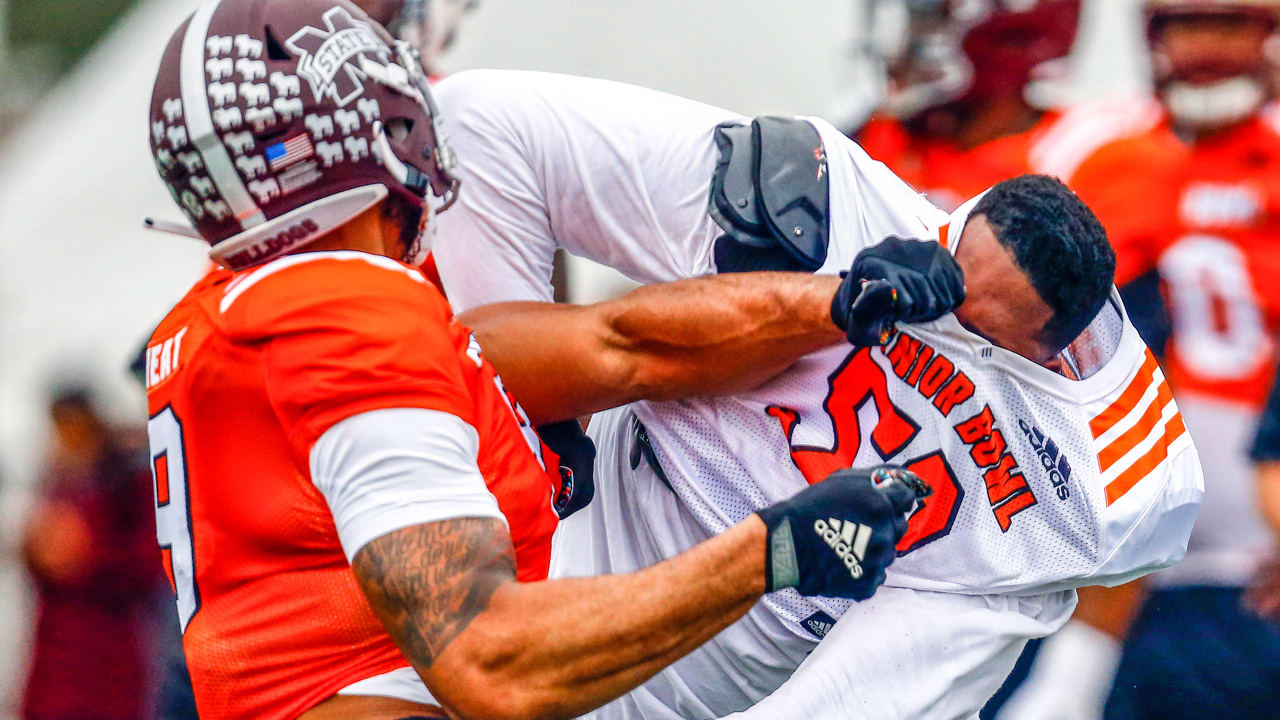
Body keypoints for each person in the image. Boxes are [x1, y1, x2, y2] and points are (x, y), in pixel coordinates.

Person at [143, 1, 937, 718]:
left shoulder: (212, 321)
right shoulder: (346, 313)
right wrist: (772, 550)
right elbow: (494, 664)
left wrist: (834, 300)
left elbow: (617, 343)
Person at [428, 68, 1204, 719]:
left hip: (690, 684)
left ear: (1044, 348)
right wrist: (524, 439)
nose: (951, 319)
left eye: (982, 325)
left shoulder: (1079, 494)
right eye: (952, 286)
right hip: (538, 533)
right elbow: (476, 127)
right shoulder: (828, 207)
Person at [1005, 2, 1280, 718]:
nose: (1205, 49)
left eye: (1230, 25)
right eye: (1186, 25)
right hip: (1088, 541)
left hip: (1248, 562)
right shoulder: (1095, 146)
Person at [855, 0, 1161, 213]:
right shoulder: (874, 141)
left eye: (932, 10)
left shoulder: (1089, 157)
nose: (898, 36)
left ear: (1014, 30)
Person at [20, 387, 165, 720]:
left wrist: (86, 556)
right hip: (56, 662)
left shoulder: (127, 479)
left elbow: (151, 562)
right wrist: (35, 550)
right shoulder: (54, 479)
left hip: (110, 661)